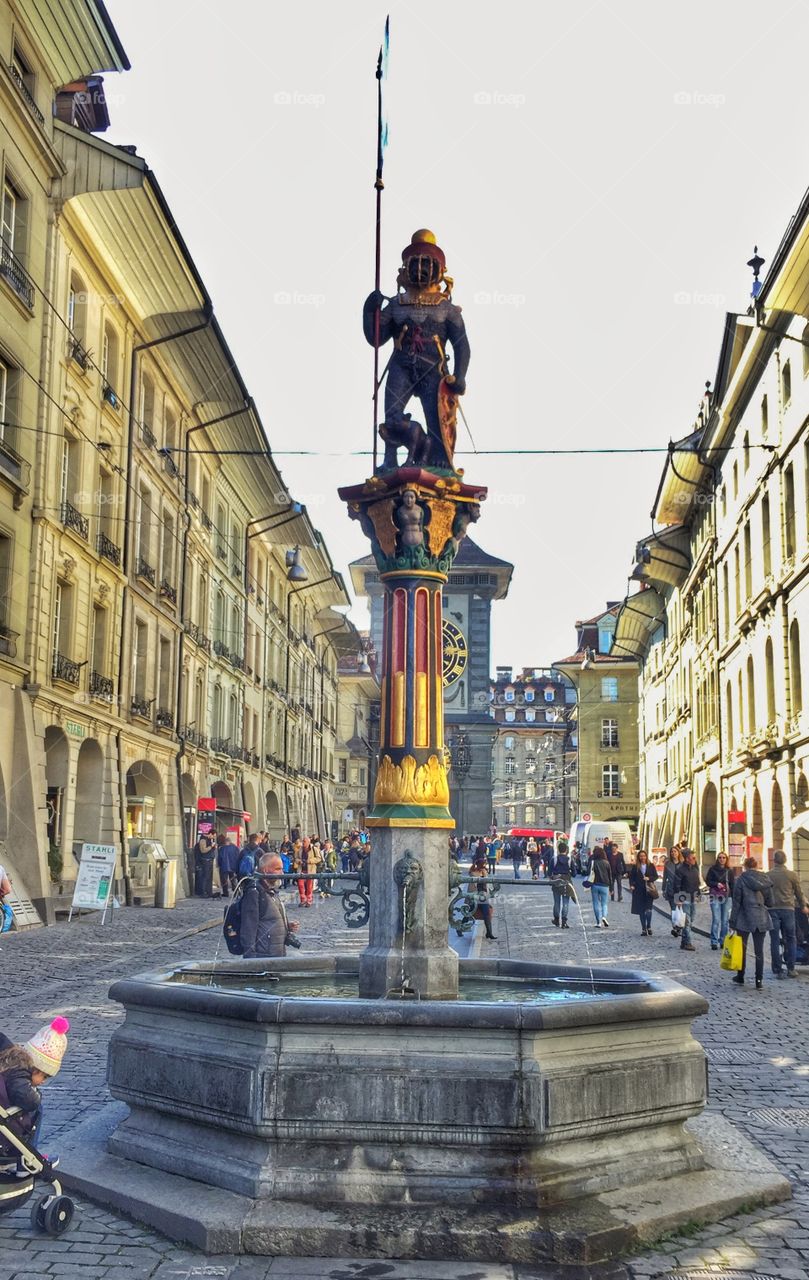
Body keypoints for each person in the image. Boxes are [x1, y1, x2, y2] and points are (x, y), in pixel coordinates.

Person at [0, 1016, 69, 1174]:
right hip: (7, 1140)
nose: (43, 1081)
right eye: (44, 1076)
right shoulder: (18, 1073)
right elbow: (29, 1100)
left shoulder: (9, 1063)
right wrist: (36, 1095)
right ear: (36, 1068)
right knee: (38, 1109)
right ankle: (28, 1157)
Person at [239, 854, 300, 958]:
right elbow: (249, 926)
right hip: (263, 956)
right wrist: (250, 958)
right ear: (266, 870)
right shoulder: (255, 892)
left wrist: (286, 926)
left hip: (276, 953)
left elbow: (269, 919)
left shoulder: (271, 890)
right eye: (278, 869)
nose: (282, 873)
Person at [730, 856, 775, 989]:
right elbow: (770, 902)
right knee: (759, 951)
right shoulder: (765, 880)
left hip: (744, 918)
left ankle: (740, 976)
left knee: (742, 949)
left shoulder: (741, 880)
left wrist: (732, 921)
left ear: (745, 866)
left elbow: (736, 902)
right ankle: (759, 980)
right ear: (756, 865)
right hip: (761, 917)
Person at [768, 850, 809, 978]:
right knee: (791, 938)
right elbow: (798, 892)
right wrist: (803, 906)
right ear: (785, 860)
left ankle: (777, 969)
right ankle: (791, 968)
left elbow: (764, 893)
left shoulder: (768, 875)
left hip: (773, 909)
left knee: (774, 939)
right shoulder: (792, 875)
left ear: (774, 860)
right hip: (788, 909)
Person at [705, 852, 735, 951]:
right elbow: (708, 881)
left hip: (726, 897)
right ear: (717, 859)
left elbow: (733, 885)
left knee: (725, 921)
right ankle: (714, 942)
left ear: (726, 859)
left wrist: (734, 898)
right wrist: (716, 884)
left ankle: (723, 941)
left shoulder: (729, 871)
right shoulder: (712, 869)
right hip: (715, 896)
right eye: (720, 857)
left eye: (723, 857)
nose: (721, 859)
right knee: (716, 919)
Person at [672, 848, 701, 952]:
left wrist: (698, 894)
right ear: (687, 858)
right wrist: (678, 899)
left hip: (693, 897)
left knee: (691, 919)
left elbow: (697, 883)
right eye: (692, 857)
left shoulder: (694, 868)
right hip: (684, 898)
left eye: (694, 857)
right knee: (687, 921)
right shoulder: (680, 870)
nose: (694, 859)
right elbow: (676, 885)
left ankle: (683, 942)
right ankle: (688, 942)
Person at [628, 850, 658, 936]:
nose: (642, 858)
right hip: (639, 891)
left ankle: (648, 925)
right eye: (641, 856)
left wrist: (649, 878)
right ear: (638, 857)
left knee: (648, 910)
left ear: (646, 856)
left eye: (644, 856)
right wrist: (632, 885)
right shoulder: (635, 867)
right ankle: (644, 928)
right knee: (641, 911)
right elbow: (631, 877)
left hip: (649, 891)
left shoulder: (651, 866)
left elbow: (655, 876)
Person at [469, 853, 496, 940]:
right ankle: (460, 928)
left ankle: (489, 933)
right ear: (480, 865)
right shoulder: (474, 873)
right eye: (484, 865)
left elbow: (487, 885)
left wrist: (485, 873)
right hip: (475, 897)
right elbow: (473, 886)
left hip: (483, 898)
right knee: (469, 913)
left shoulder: (484, 872)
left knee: (487, 914)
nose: (485, 866)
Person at [550, 840, 574, 928]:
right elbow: (574, 873)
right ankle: (564, 922)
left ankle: (556, 920)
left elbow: (549, 872)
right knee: (566, 902)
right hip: (566, 882)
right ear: (566, 850)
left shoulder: (554, 859)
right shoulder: (569, 860)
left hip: (556, 883)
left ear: (559, 850)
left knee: (556, 902)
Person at [589, 845, 613, 927]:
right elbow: (610, 876)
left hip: (595, 885)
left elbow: (589, 873)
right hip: (605, 885)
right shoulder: (607, 863)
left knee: (595, 903)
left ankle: (598, 922)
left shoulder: (594, 862)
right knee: (604, 903)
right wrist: (611, 888)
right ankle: (604, 917)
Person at [661, 847, 682, 934]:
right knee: (673, 908)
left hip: (681, 889)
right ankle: (675, 927)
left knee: (680, 909)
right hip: (671, 889)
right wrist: (663, 888)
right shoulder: (668, 864)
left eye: (675, 851)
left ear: (678, 853)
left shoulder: (683, 864)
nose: (673, 853)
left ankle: (680, 926)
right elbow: (665, 877)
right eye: (672, 852)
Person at [216, 833, 240, 898]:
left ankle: (225, 893)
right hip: (233, 866)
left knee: (224, 880)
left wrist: (219, 864)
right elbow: (238, 857)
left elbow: (220, 858)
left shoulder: (222, 849)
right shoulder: (235, 848)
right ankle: (235, 892)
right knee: (233, 880)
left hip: (224, 867)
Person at [192, 831, 216, 897]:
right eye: (213, 836)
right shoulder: (203, 840)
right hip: (205, 860)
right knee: (205, 877)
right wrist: (211, 846)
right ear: (210, 834)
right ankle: (203, 892)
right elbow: (203, 850)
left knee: (209, 877)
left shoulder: (209, 840)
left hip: (210, 860)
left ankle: (208, 892)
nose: (213, 837)